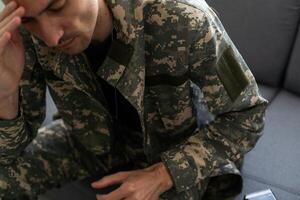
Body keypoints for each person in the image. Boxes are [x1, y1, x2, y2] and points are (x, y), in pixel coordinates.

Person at [0, 0, 268, 199]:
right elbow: (8, 152)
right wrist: (6, 93)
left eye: (57, 6)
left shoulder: (182, 16)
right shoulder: (24, 38)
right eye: (30, 20)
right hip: (91, 141)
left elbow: (247, 116)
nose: (50, 37)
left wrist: (163, 174)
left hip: (176, 148)